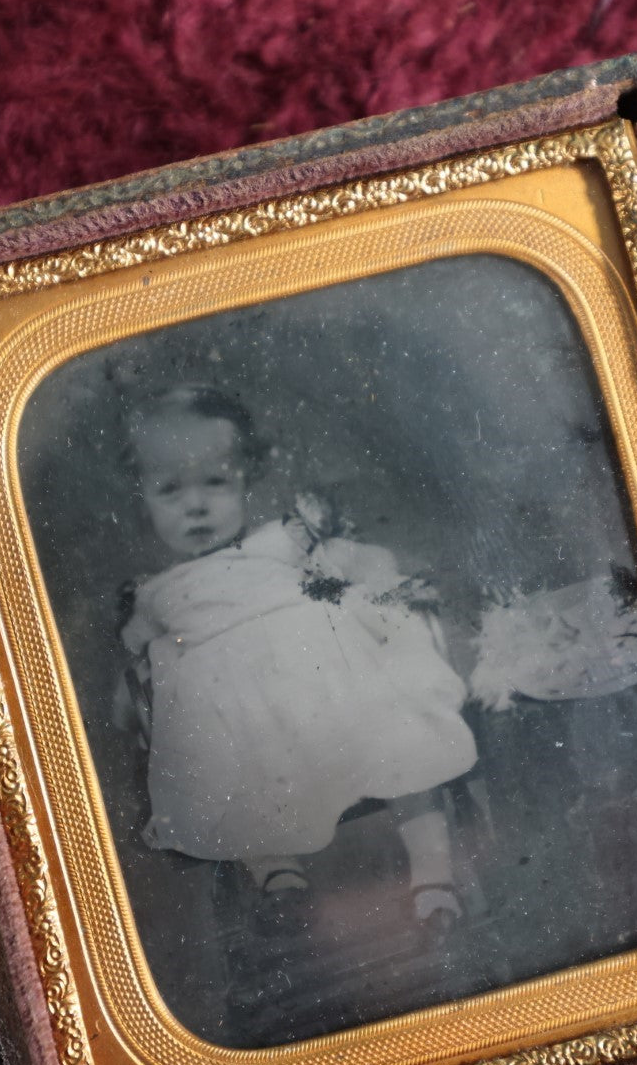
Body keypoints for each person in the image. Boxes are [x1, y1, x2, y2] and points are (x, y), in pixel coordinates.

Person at [114, 384, 478, 934]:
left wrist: (373, 581)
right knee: (219, 768)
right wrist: (132, 707)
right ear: (143, 501)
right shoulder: (156, 593)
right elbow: (137, 664)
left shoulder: (279, 542)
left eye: (215, 482)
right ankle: (276, 871)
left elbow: (352, 569)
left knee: (400, 742)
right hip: (241, 715)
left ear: (244, 480)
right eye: (170, 490)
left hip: (325, 689)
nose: (196, 505)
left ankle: (433, 872)